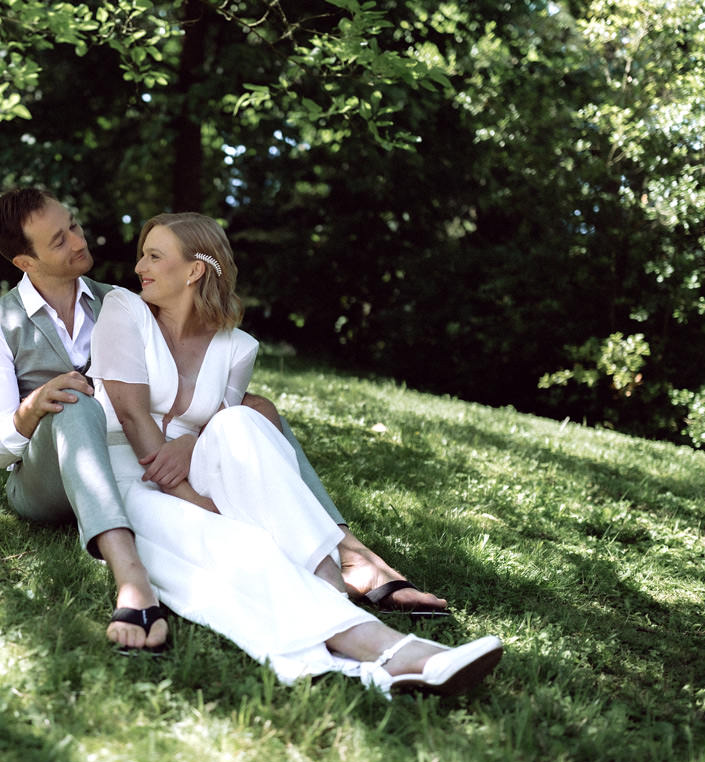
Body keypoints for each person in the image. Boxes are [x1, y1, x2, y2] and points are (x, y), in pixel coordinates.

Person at [0, 187, 443, 653]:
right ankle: (131, 582)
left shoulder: (121, 300)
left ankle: (348, 551)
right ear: (26, 262)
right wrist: (33, 407)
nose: (78, 240)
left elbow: (188, 375)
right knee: (75, 403)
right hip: (49, 475)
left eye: (73, 225)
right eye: (59, 240)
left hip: (129, 456)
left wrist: (196, 438)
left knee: (255, 409)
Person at [86, 211, 502, 695]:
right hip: (128, 477)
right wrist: (195, 501)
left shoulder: (236, 347)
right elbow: (133, 417)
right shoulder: (123, 310)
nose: (140, 266)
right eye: (143, 255)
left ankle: (330, 591)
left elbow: (217, 425)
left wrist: (191, 442)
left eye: (154, 256)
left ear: (194, 270)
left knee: (243, 421)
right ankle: (388, 651)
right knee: (240, 545)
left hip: (196, 467)